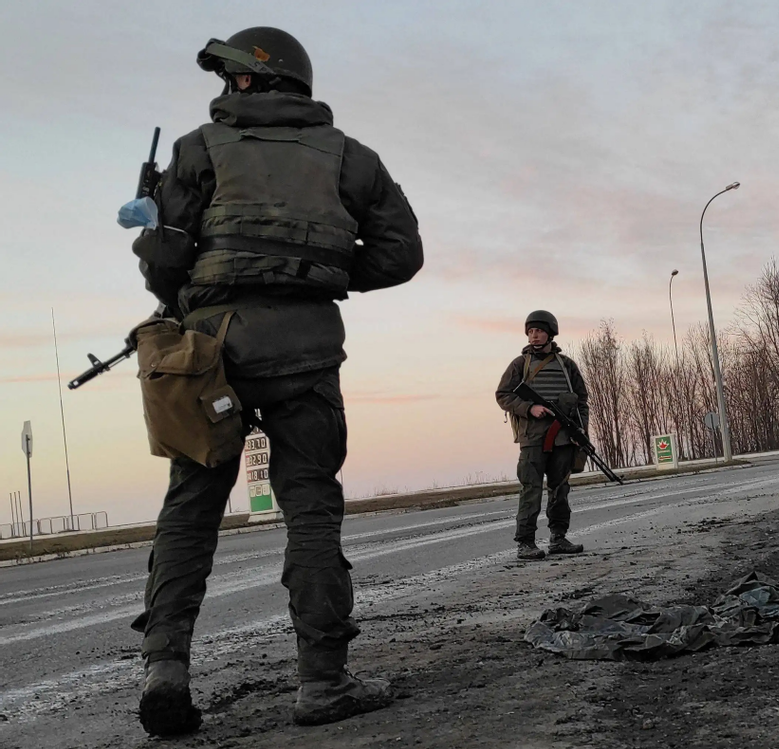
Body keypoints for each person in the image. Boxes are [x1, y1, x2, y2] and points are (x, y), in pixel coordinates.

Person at [130, 27, 423, 736]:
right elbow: (401, 253)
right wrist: (316, 273)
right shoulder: (353, 158)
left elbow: (164, 261)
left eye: (234, 78)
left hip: (211, 355)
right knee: (312, 511)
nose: (225, 89)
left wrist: (184, 263)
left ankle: (165, 666)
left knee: (191, 509)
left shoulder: (197, 149)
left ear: (258, 81)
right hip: (307, 354)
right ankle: (323, 683)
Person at [495, 310, 589, 560]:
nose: (534, 336)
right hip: (533, 438)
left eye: (538, 331)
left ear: (550, 333)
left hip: (562, 438)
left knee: (560, 489)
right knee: (531, 490)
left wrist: (581, 431)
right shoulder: (519, 365)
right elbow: (503, 395)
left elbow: (582, 400)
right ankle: (525, 543)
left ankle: (558, 538)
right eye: (530, 332)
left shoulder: (566, 365)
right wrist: (529, 407)